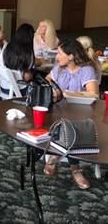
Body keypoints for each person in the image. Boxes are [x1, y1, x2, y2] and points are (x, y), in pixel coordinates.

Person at [44, 39, 99, 190]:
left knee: (72, 128)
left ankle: (66, 163)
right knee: (61, 122)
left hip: (81, 113)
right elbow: (48, 79)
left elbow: (93, 93)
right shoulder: (60, 68)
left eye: (60, 54)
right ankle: (73, 168)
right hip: (61, 111)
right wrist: (53, 88)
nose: (57, 57)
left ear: (71, 56)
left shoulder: (86, 70)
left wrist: (68, 93)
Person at [1, 23, 35, 94]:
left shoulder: (6, 47)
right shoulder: (28, 52)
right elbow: (27, 76)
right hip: (19, 89)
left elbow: (2, 63)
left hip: (3, 86)